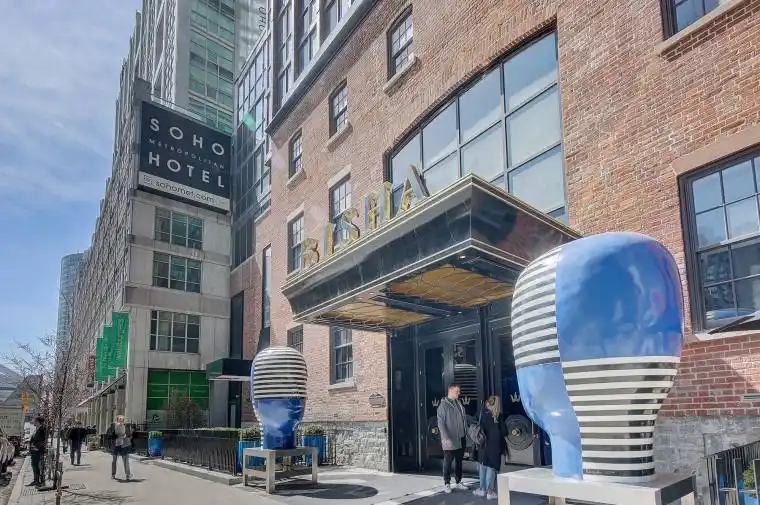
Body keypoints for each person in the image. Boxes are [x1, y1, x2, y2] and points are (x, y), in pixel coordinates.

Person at [473, 396, 507, 500]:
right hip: (495, 446)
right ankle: (490, 492)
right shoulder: (498, 417)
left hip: (483, 445)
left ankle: (482, 489)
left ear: (488, 403)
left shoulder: (482, 414)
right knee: (491, 468)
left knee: (483, 466)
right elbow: (505, 432)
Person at [437, 383, 468, 493]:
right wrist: (445, 437)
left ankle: (458, 481)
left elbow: (463, 419)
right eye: (457, 391)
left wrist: (466, 432)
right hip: (449, 439)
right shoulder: (443, 405)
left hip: (461, 438)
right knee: (448, 461)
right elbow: (441, 423)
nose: (459, 393)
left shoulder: (458, 403)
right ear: (450, 391)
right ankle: (447, 483)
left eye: (459, 391)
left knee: (459, 461)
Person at [106, 415, 132, 481]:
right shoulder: (113, 426)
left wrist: (126, 435)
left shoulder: (126, 426)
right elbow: (108, 435)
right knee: (114, 460)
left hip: (124, 445)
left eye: (122, 420)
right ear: (117, 420)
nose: (121, 421)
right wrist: (115, 434)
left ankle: (128, 475)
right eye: (120, 419)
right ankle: (113, 474)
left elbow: (129, 434)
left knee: (125, 460)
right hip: (116, 445)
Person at [27, 416, 47, 487]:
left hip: (38, 451)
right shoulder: (37, 429)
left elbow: (43, 440)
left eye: (34, 421)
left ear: (38, 422)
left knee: (38, 466)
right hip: (34, 451)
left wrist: (37, 448)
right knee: (34, 466)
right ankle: (36, 480)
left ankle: (39, 481)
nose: (33, 422)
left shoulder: (42, 429)